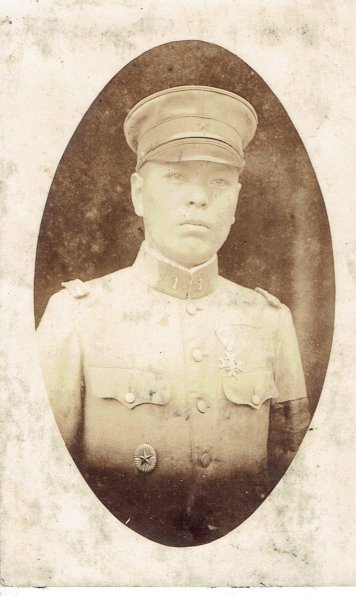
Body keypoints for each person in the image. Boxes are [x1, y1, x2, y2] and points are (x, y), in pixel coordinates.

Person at [36, 86, 310, 546]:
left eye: (219, 182)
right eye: (177, 177)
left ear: (236, 201)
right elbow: (39, 488)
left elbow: (298, 493)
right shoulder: (76, 318)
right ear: (139, 194)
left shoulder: (269, 322)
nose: (199, 198)